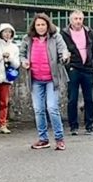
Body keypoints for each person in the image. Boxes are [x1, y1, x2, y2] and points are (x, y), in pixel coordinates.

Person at [22, 13, 70, 150]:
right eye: (38, 25)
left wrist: (65, 56)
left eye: (43, 24)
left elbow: (63, 51)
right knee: (38, 109)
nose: (41, 27)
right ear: (34, 26)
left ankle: (59, 139)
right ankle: (43, 139)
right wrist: (24, 61)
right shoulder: (28, 39)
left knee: (52, 108)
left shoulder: (56, 37)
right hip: (36, 79)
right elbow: (21, 54)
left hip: (52, 79)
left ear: (48, 25)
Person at [59, 10, 93, 136]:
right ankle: (73, 126)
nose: (78, 21)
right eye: (75, 19)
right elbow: (60, 50)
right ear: (71, 20)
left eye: (80, 18)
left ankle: (90, 126)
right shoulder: (64, 33)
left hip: (87, 68)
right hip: (73, 68)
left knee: (89, 98)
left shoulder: (88, 31)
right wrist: (65, 61)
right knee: (72, 98)